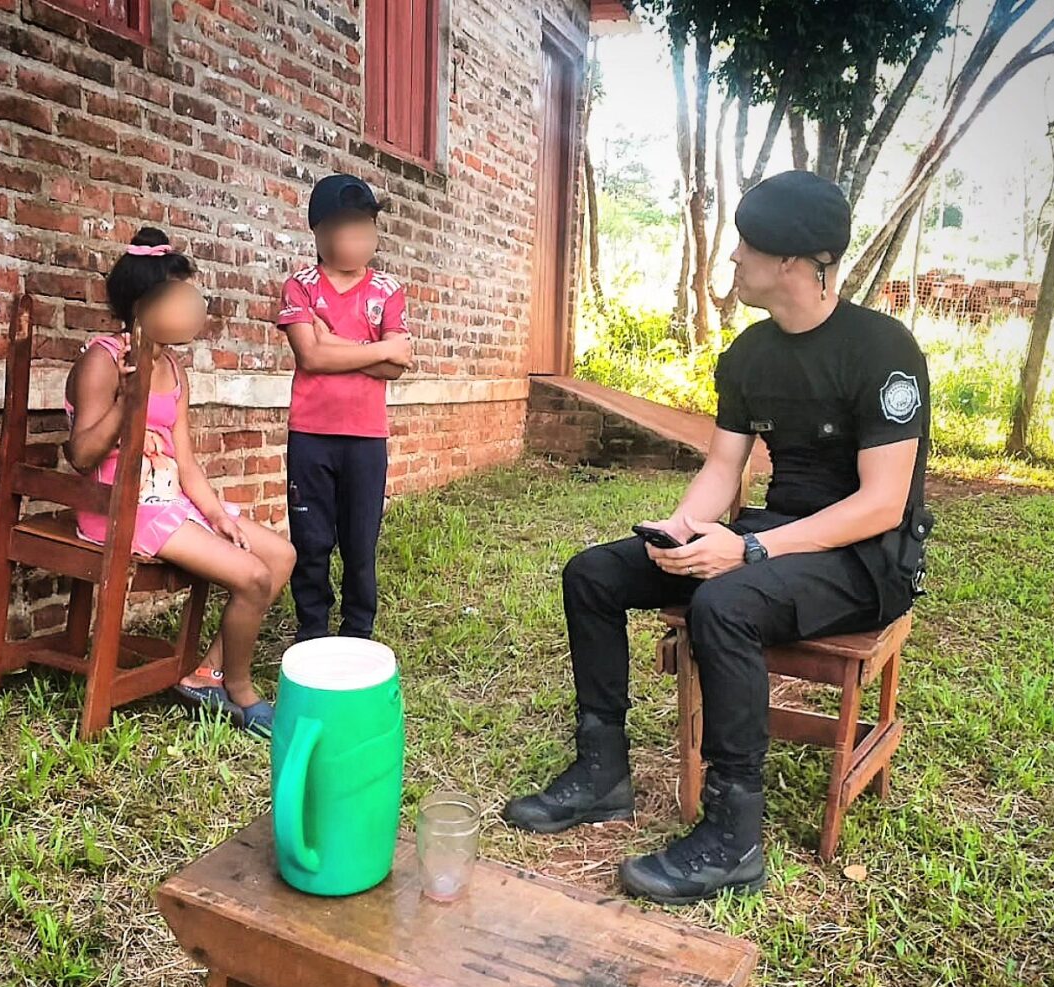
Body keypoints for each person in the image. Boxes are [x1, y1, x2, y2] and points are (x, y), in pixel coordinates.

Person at [504, 171, 933, 902]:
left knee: (723, 605)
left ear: (794, 262)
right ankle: (602, 771)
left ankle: (734, 835)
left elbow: (883, 504)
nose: (732, 258)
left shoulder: (882, 350)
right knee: (594, 574)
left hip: (866, 562)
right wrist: (684, 527)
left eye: (745, 245)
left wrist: (750, 549)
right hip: (773, 538)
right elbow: (724, 464)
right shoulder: (750, 356)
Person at [65, 227, 296, 737]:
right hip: (117, 506)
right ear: (142, 306)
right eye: (178, 297)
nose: (193, 308)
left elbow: (187, 464)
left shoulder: (173, 367)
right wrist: (129, 401)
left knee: (279, 557)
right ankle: (238, 689)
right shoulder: (102, 360)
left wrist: (216, 515)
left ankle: (207, 673)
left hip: (170, 501)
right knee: (252, 577)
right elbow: (81, 455)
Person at [276, 174, 414, 642]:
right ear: (318, 233)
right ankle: (311, 629)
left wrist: (334, 342)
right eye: (343, 228)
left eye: (365, 228)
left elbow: (400, 365)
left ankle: (359, 631)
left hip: (367, 437)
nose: (356, 239)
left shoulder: (388, 290)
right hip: (311, 435)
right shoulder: (301, 286)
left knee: (361, 542)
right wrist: (375, 349)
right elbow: (311, 357)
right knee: (312, 540)